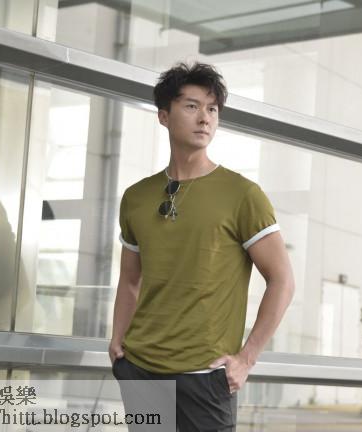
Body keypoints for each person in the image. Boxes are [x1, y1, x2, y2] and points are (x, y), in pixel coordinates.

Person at [109, 62, 295, 431]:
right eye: (192, 106)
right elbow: (130, 280)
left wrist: (247, 358)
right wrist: (118, 343)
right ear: (164, 116)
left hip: (205, 377)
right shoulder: (136, 197)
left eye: (212, 109)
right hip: (141, 371)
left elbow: (282, 281)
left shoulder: (242, 195)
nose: (204, 118)